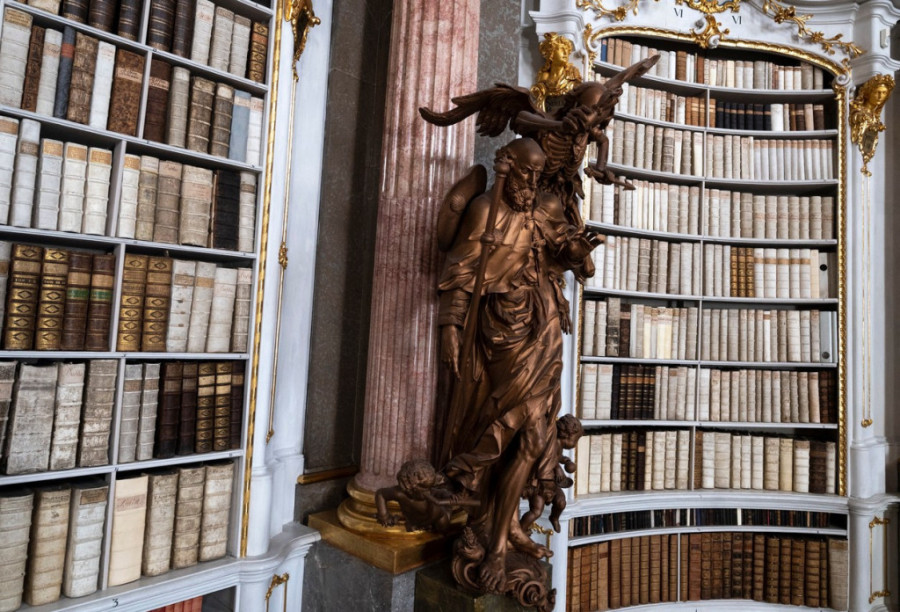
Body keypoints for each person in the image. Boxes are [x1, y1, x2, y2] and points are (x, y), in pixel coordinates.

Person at [437, 137, 599, 591]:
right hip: (500, 334)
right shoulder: (484, 212)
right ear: (509, 166)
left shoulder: (545, 207)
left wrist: (580, 249)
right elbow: (461, 271)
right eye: (525, 172)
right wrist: (449, 328)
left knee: (534, 436)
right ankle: (497, 530)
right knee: (505, 426)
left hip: (544, 330)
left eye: (537, 173)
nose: (530, 181)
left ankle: (503, 535)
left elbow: (569, 255)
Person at [519, 414, 583, 533]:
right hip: (539, 484)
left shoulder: (559, 446)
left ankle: (554, 517)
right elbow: (544, 457)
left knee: (561, 503)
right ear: (568, 435)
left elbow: (557, 457)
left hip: (552, 483)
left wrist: (566, 461)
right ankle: (521, 530)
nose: (575, 444)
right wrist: (558, 468)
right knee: (536, 511)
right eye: (575, 440)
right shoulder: (550, 442)